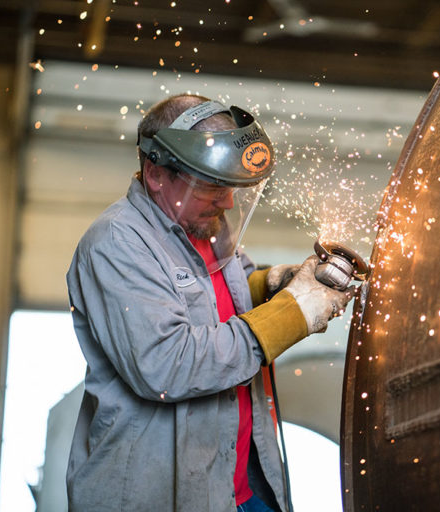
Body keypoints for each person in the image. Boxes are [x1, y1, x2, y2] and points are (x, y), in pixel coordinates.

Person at [65, 93, 353, 512]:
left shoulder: (206, 226)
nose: (228, 202)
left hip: (240, 487)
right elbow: (167, 364)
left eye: (232, 186)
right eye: (211, 185)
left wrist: (276, 284)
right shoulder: (117, 243)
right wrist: (293, 312)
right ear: (155, 174)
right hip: (158, 496)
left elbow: (219, 297)